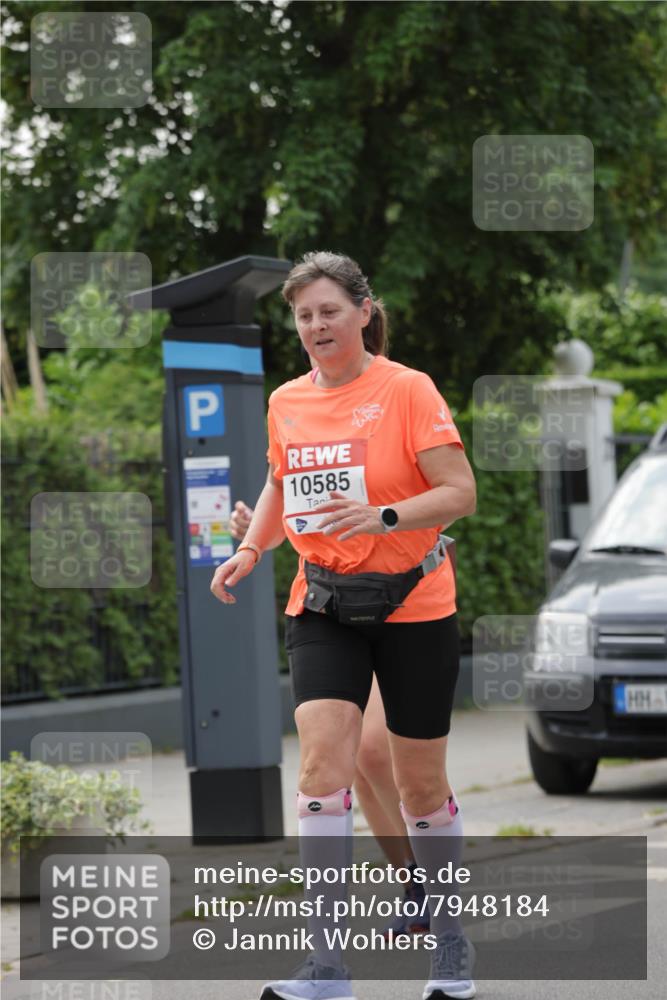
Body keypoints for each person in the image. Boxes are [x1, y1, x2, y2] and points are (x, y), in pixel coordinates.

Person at [211, 251, 477, 1000]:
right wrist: (249, 548)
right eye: (303, 316)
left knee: (419, 786)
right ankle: (326, 966)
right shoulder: (287, 401)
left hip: (412, 605)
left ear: (363, 311)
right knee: (320, 774)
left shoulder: (405, 390)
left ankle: (449, 946)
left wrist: (386, 514)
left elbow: (459, 492)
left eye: (329, 310)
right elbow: (278, 482)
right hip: (323, 603)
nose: (316, 325)